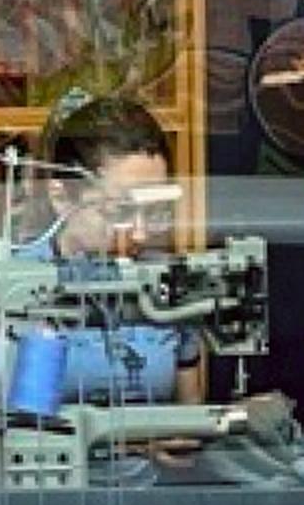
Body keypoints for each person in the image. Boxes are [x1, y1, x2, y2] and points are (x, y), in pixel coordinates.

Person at [17, 90, 206, 405]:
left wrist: (179, 444)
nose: (141, 234)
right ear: (61, 197)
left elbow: (191, 418)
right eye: (119, 213)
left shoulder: (166, 282)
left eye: (155, 212)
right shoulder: (10, 284)